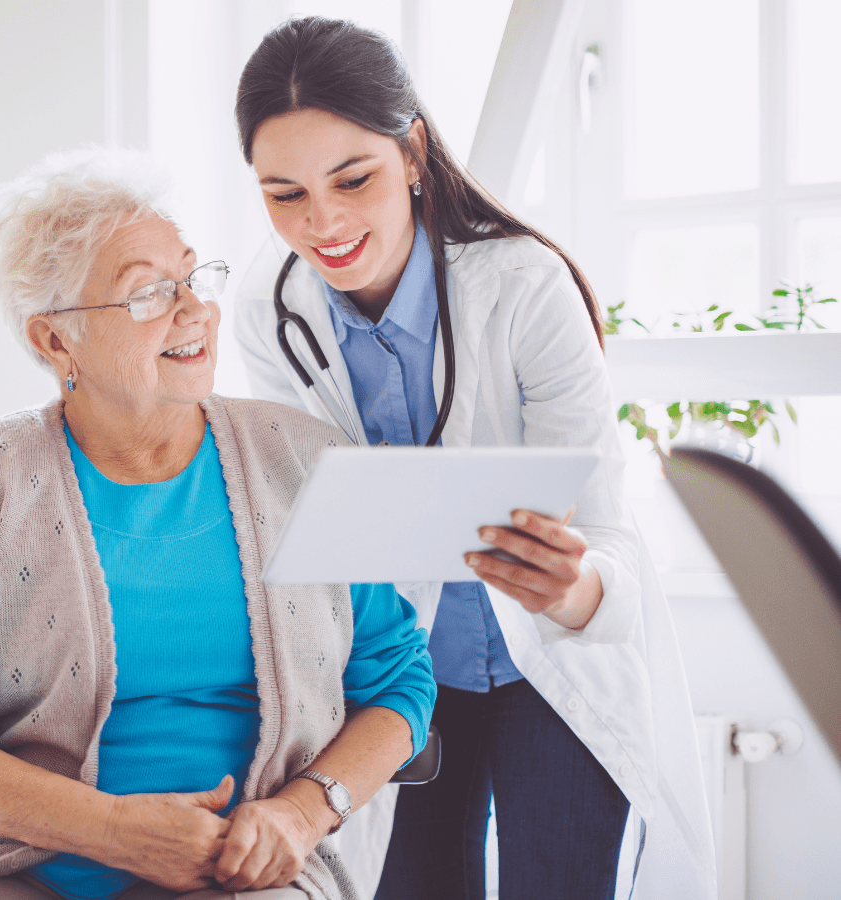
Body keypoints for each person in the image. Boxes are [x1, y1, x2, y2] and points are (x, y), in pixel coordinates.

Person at [0, 148, 436, 900]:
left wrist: (301, 812)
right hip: (11, 859)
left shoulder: (307, 462)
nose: (194, 310)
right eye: (148, 295)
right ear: (55, 339)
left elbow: (397, 682)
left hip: (237, 868)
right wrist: (108, 830)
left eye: (194, 277)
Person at [230, 17, 716, 900]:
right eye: (284, 194)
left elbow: (603, 530)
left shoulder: (525, 287)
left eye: (354, 178)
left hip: (553, 673)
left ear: (412, 151)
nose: (324, 223)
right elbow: (307, 512)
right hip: (393, 678)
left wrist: (568, 588)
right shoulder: (269, 307)